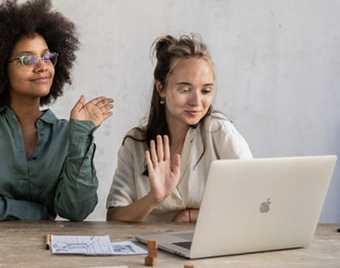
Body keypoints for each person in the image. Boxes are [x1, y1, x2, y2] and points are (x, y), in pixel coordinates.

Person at [0, 0, 113, 221]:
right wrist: (35, 212)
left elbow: (76, 211)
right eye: (27, 59)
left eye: (47, 57)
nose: (42, 67)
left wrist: (81, 134)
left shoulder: (67, 134)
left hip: (48, 252)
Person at [106, 34, 251, 222]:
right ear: (161, 88)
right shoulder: (136, 143)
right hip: (150, 248)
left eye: (206, 90)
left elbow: (253, 203)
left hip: (212, 249)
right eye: (184, 89)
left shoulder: (220, 133)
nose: (197, 101)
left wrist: (191, 216)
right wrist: (154, 198)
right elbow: (115, 218)